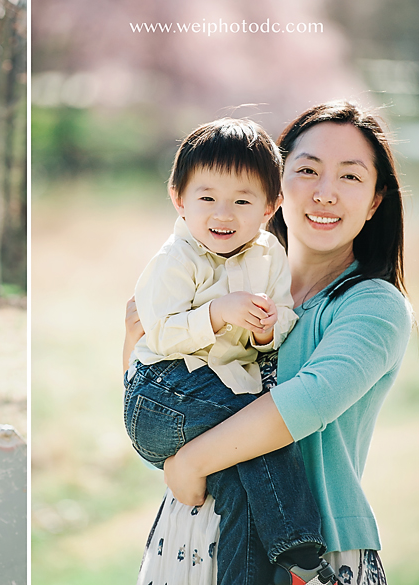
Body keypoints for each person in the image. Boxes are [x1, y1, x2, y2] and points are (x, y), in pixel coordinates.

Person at [125, 101, 412, 585]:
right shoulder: (219, 275)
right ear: (277, 183)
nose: (325, 193)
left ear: (375, 201)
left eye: (350, 177)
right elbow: (160, 396)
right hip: (193, 534)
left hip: (311, 551)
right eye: (307, 170)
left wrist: (189, 463)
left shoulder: (372, 306)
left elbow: (303, 404)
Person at [124, 118, 334, 585]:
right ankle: (300, 548)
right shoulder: (175, 261)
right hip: (161, 396)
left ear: (270, 206)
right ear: (179, 199)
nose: (224, 214)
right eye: (207, 199)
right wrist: (218, 313)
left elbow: (280, 323)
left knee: (239, 487)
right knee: (257, 426)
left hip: (215, 396)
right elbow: (157, 335)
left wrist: (264, 332)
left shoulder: (268, 257)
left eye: (242, 201)